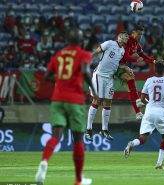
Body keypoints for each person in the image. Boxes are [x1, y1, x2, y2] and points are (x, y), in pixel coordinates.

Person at [35, 28, 98, 185]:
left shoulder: (59, 55)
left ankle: (44, 162)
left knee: (56, 135)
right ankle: (78, 179)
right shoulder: (84, 54)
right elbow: (84, 71)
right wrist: (94, 91)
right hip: (74, 100)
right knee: (78, 139)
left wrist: (62, 79)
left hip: (57, 99)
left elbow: (47, 76)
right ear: (81, 41)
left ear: (67, 40)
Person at [123, 61, 164, 170]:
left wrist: (145, 103)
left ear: (155, 70)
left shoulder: (149, 80)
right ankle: (159, 164)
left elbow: (142, 100)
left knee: (143, 138)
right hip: (161, 112)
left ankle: (132, 143)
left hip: (149, 111)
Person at [85, 32, 130, 141]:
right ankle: (88, 129)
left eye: (128, 37)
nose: (127, 38)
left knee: (108, 102)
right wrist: (86, 59)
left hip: (110, 78)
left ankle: (104, 130)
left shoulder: (122, 51)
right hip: (99, 75)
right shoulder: (110, 43)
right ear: (119, 37)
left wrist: (124, 71)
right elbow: (97, 51)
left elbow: (117, 65)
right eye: (125, 36)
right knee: (97, 100)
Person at [117, 23, 157, 120]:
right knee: (130, 78)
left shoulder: (136, 44)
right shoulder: (128, 41)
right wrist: (135, 60)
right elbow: (125, 56)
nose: (140, 36)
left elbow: (143, 56)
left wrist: (154, 61)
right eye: (139, 34)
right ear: (133, 33)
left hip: (120, 65)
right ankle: (138, 105)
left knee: (130, 87)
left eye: (142, 34)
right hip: (114, 65)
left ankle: (138, 112)